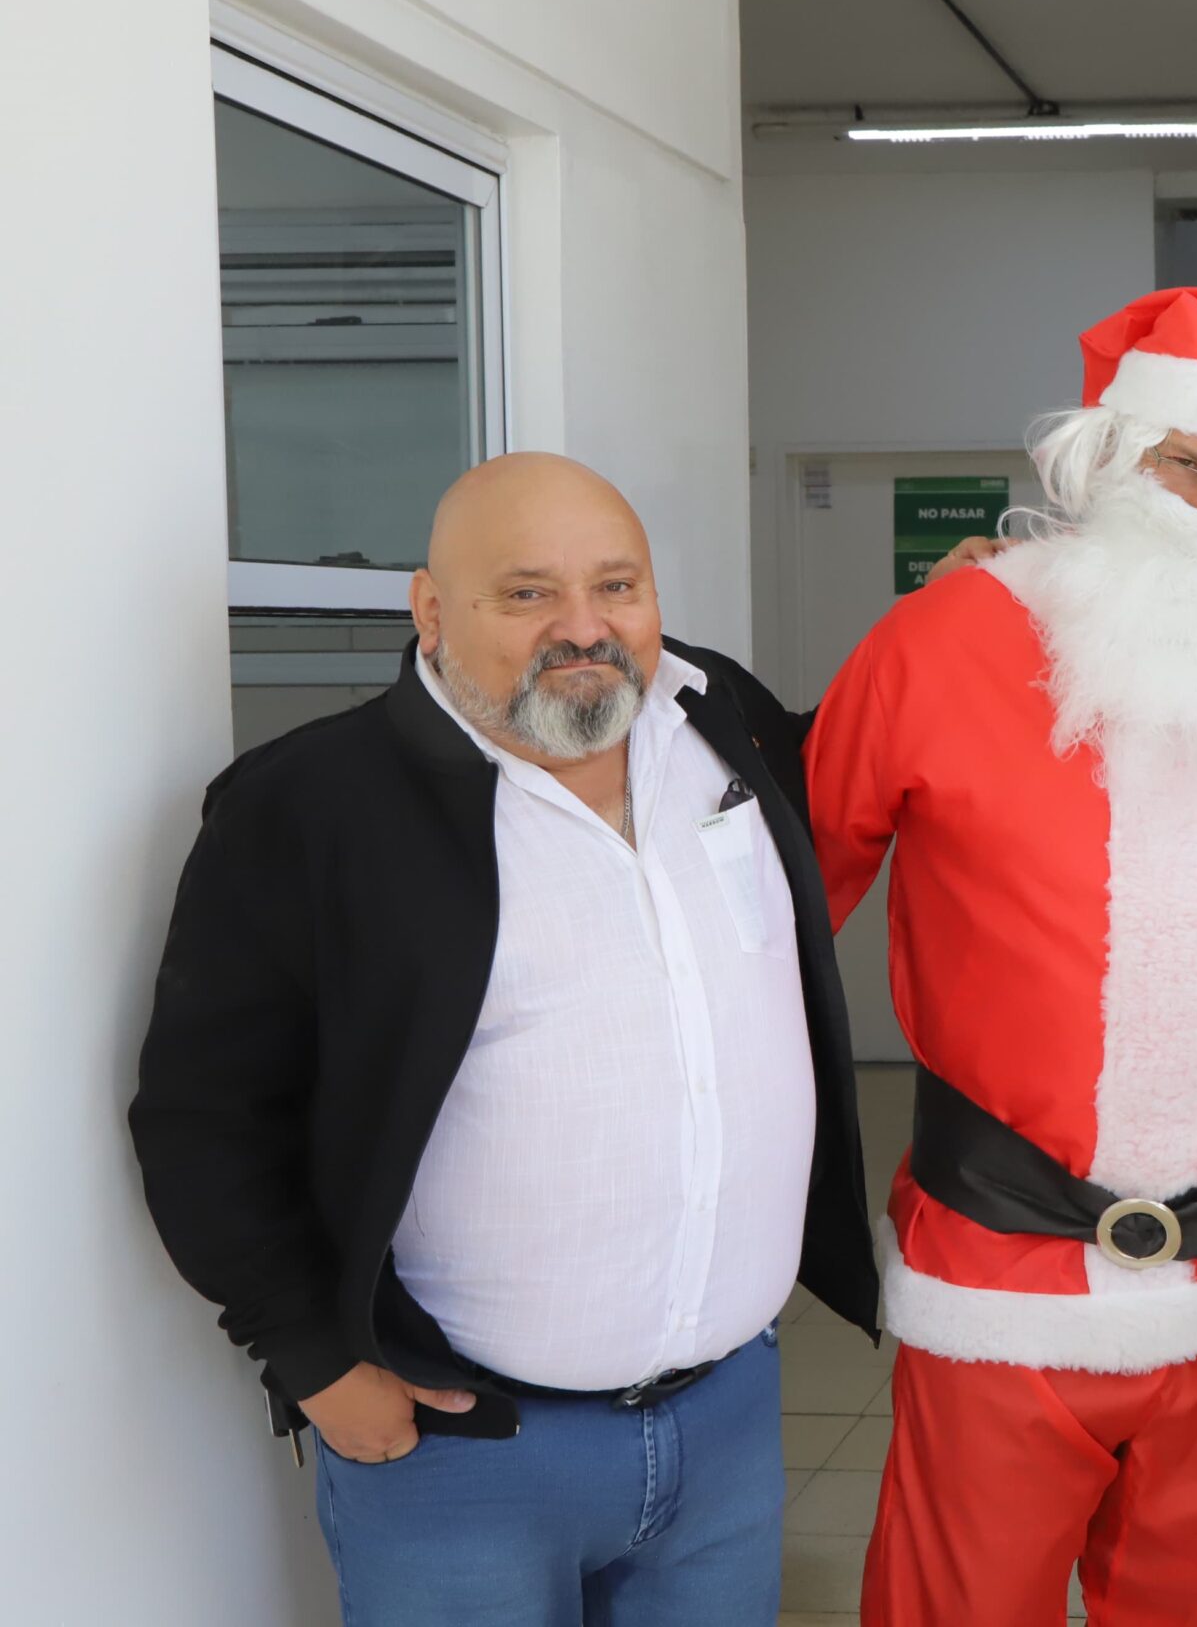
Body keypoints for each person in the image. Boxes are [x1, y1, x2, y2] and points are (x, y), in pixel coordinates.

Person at [129, 453, 877, 1625]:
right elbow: (204, 1114)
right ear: (431, 609)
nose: (583, 626)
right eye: (527, 592)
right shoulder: (310, 804)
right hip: (464, 1452)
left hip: (727, 1422)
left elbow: (874, 748)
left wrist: (975, 612)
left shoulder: (718, 715)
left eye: (617, 585)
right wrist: (311, 1359)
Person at [804, 286, 1197, 1626]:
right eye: (1182, 465)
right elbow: (776, 903)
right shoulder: (933, 643)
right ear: (1106, 457)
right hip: (999, 1268)